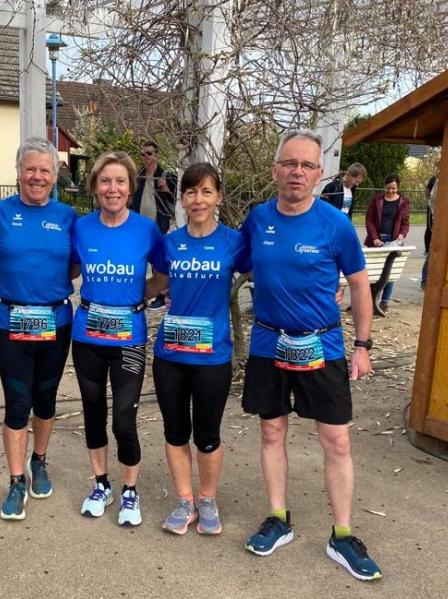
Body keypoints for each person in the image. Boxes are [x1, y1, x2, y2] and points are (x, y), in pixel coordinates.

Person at [240, 129, 381, 581]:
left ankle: (343, 534)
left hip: (322, 345)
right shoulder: (258, 219)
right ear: (275, 170)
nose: (296, 172)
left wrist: (362, 346)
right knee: (271, 431)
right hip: (269, 343)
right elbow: (230, 262)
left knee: (336, 440)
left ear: (320, 174)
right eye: (289, 163)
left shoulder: (335, 224)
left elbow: (359, 285)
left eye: (306, 165)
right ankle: (278, 518)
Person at [0, 137, 76, 521]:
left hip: (56, 322)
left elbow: (74, 267)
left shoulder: (68, 216)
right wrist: (17, 289)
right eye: (30, 169)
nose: (37, 176)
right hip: (12, 321)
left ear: (54, 175)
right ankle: (16, 479)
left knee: (46, 399)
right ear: (19, 172)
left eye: (45, 170)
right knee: (17, 403)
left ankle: (39, 460)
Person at [72, 151, 166, 527]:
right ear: (95, 187)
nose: (113, 188)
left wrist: (138, 296)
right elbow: (69, 268)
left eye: (120, 181)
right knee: (93, 412)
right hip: (88, 336)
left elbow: (162, 275)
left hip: (129, 339)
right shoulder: (81, 227)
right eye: (105, 181)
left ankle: (129, 490)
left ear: (130, 188)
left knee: (124, 419)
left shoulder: (146, 229)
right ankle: (101, 485)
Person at [152, 163, 246, 536]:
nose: (198, 199)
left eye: (207, 191)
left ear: (218, 197)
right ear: (182, 198)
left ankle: (208, 499)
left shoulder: (234, 242)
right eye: (191, 192)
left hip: (213, 356)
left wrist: (327, 286)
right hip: (171, 355)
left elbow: (269, 271)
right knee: (175, 432)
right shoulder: (169, 243)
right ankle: (184, 500)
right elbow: (157, 284)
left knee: (207, 436)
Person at [132, 140, 177, 310]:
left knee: (158, 263)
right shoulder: (138, 176)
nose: (145, 157)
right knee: (138, 260)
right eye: (143, 154)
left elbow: (178, 200)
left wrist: (167, 189)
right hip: (139, 227)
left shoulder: (166, 175)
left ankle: (161, 296)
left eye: (149, 153)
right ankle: (138, 293)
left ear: (156, 154)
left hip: (159, 225)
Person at [364, 173, 410, 311]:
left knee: (391, 272)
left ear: (398, 188)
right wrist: (374, 237)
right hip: (377, 240)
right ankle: (371, 299)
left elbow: (405, 222)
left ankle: (385, 301)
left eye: (393, 188)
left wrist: (402, 235)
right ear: (384, 187)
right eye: (388, 188)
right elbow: (369, 220)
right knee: (374, 270)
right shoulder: (376, 200)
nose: (391, 191)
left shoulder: (403, 202)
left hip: (393, 240)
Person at [421, 170, 438, 290]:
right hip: (436, 215)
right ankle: (425, 279)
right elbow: (431, 198)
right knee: (433, 248)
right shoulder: (436, 180)